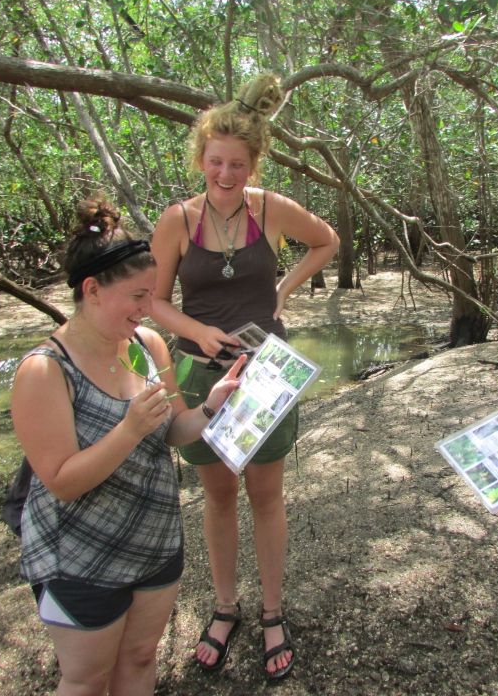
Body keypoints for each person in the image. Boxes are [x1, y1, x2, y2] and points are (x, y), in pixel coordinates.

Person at [11, 197, 244, 696]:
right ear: (91, 290)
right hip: (77, 558)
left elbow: (174, 430)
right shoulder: (44, 370)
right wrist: (129, 430)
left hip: (155, 543)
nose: (147, 309)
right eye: (137, 297)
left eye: (152, 296)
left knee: (140, 661)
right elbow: (61, 481)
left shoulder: (149, 347)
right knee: (86, 679)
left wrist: (210, 410)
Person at [150, 73, 339, 680]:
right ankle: (226, 605)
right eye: (215, 162)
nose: (226, 175)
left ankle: (273, 611)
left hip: (266, 377)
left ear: (253, 165)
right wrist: (198, 331)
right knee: (218, 494)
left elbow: (325, 241)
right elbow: (153, 302)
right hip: (201, 376)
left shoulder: (270, 208)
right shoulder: (176, 219)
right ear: (200, 159)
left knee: (266, 494)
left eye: (237, 164)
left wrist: (283, 288)